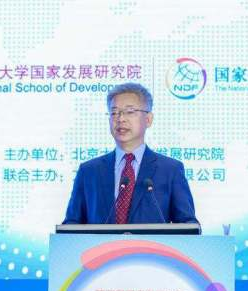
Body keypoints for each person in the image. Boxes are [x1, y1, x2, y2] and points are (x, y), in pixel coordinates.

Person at [63, 82, 198, 225]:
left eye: (130, 112)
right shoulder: (89, 171)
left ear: (148, 119)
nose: (120, 119)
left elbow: (188, 224)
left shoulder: (170, 170)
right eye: (114, 113)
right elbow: (71, 224)